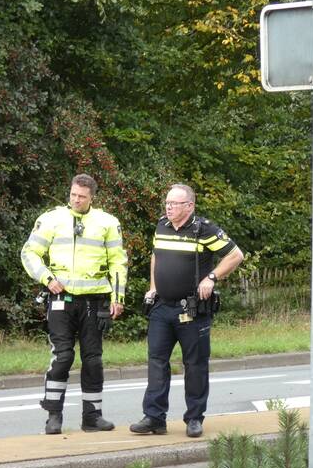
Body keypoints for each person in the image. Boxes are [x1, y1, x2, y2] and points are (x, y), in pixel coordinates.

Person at [130, 183, 244, 438]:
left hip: (191, 310)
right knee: (157, 362)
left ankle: (194, 418)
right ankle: (154, 418)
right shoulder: (162, 226)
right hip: (162, 308)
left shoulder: (204, 229)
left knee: (195, 364)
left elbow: (236, 255)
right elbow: (155, 257)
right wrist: (152, 288)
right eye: (167, 203)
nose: (169, 207)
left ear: (189, 206)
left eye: (175, 203)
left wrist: (212, 277)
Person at [21, 173, 127, 435]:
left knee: (93, 359)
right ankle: (53, 415)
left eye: (82, 196)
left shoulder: (107, 222)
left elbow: (118, 261)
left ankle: (92, 416)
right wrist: (47, 278)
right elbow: (29, 252)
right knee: (63, 356)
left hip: (94, 301)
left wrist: (118, 297)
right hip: (61, 300)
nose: (76, 200)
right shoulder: (51, 219)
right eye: (73, 195)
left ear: (92, 197)